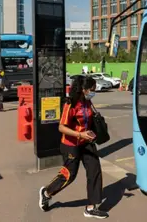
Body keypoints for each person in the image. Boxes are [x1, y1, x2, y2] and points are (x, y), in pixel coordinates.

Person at [38, 76, 108, 219]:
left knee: (95, 171)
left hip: (87, 142)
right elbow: (61, 127)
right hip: (71, 144)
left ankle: (91, 207)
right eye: (91, 89)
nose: (93, 92)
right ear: (83, 89)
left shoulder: (87, 101)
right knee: (70, 175)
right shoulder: (70, 104)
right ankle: (47, 192)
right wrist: (79, 134)